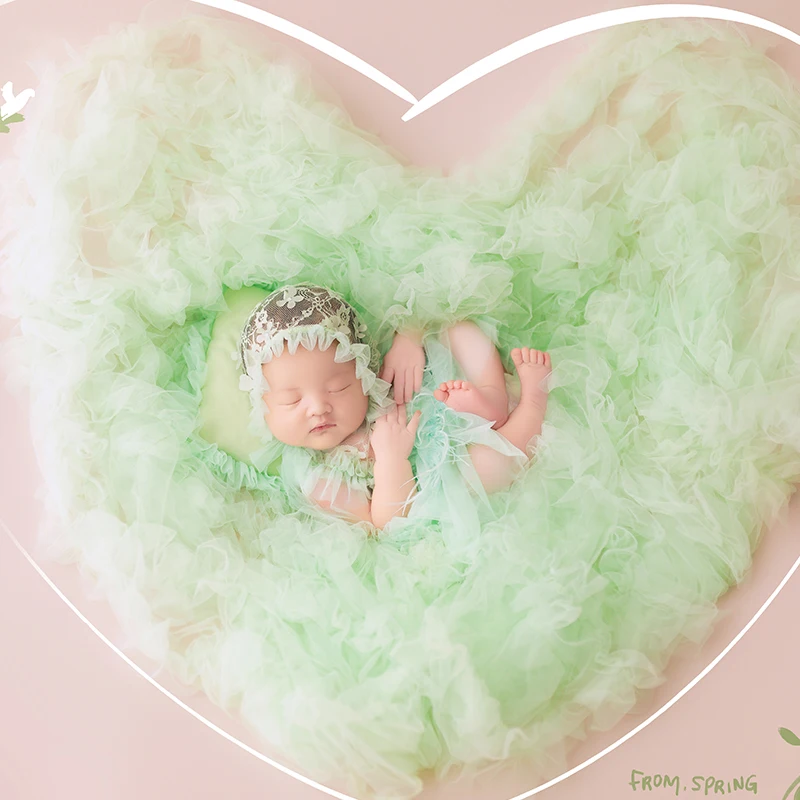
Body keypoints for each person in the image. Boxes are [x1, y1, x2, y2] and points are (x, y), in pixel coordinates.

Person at [238, 284, 551, 530]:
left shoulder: (379, 386)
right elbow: (386, 524)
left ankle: (492, 396)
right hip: (439, 476)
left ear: (363, 374)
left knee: (457, 329)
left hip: (445, 405)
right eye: (292, 400)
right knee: (488, 466)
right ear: (262, 406)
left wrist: (409, 337)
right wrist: (390, 460)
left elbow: (429, 311)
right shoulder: (317, 478)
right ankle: (533, 404)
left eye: (339, 388)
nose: (319, 407)